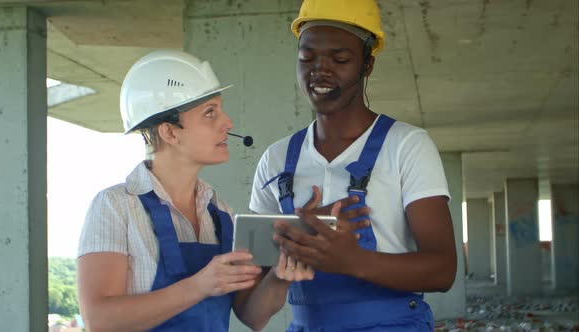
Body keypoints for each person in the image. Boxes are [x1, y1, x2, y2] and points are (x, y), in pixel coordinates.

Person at [248, 0, 458, 330]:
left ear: (367, 65)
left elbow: (443, 270)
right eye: (307, 57)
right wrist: (288, 259)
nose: (319, 69)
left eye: (340, 58)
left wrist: (352, 260)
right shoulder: (275, 160)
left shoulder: (406, 146)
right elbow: (252, 311)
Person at [76, 50, 265, 332]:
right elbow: (99, 321)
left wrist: (282, 275)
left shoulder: (220, 211)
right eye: (210, 113)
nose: (228, 123)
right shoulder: (114, 207)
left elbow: (253, 317)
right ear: (170, 133)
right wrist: (199, 286)